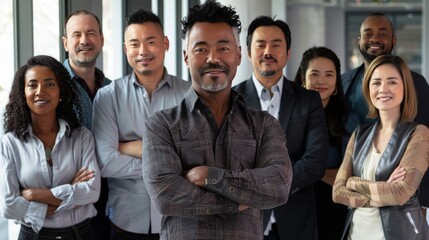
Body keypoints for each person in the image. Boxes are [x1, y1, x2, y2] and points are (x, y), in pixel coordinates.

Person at [141, 2, 293, 239]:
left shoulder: (264, 125)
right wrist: (238, 202)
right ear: (186, 57)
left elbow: (278, 186)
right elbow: (166, 196)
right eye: (201, 49)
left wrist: (209, 176)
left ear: (239, 55)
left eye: (223, 48)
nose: (213, 58)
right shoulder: (162, 125)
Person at [92, 8, 191, 240]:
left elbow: (194, 156)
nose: (143, 51)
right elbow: (106, 163)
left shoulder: (189, 95)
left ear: (165, 43)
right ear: (126, 49)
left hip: (179, 219)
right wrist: (169, 168)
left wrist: (126, 147)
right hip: (125, 221)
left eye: (150, 42)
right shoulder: (108, 96)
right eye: (134, 44)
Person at [234, 16, 329, 240]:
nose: (268, 51)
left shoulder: (309, 100)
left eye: (276, 45)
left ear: (288, 53)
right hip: (245, 220)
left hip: (297, 221)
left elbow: (315, 161)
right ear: (248, 53)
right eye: (260, 45)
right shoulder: (231, 101)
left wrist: (270, 187)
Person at [0, 55, 100, 239]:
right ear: (23, 93)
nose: (40, 91)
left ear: (61, 91)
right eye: (32, 85)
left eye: (49, 84)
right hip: (33, 235)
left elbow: (92, 192)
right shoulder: (11, 143)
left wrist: (34, 194)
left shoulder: (81, 137)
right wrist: (70, 189)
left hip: (80, 234)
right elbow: (9, 206)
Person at [333, 54, 429, 239]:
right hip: (357, 233)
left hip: (399, 234)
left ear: (405, 88)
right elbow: (338, 192)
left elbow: (401, 193)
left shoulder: (419, 134)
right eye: (376, 82)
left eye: (392, 82)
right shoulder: (359, 133)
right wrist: (384, 189)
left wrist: (353, 183)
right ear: (368, 89)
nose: (383, 89)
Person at [341, 12, 429, 213]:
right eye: (368, 33)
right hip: (353, 203)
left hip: (402, 199)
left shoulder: (416, 84)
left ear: (393, 41)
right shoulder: (345, 82)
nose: (374, 38)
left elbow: (425, 147)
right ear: (359, 40)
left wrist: (422, 202)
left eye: (382, 33)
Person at [294, 46, 360, 240]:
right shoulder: (288, 115)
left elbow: (351, 177)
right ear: (302, 79)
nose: (321, 81)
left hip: (333, 208)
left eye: (329, 75)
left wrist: (308, 169)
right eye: (314, 74)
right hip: (293, 206)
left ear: (336, 82)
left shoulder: (349, 120)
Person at [62, 10, 111, 239]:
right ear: (65, 43)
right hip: (67, 201)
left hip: (109, 200)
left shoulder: (113, 89)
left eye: (91, 33)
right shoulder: (51, 86)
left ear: (101, 39)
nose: (84, 40)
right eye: (76, 34)